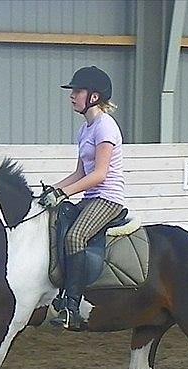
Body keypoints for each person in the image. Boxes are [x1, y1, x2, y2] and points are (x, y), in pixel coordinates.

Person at [39, 66, 126, 331]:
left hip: (108, 199)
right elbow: (79, 173)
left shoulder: (105, 127)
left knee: (75, 236)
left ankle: (72, 307)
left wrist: (65, 193)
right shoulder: (85, 129)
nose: (72, 96)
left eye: (77, 91)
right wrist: (52, 190)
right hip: (90, 198)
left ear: (94, 97)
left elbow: (99, 174)